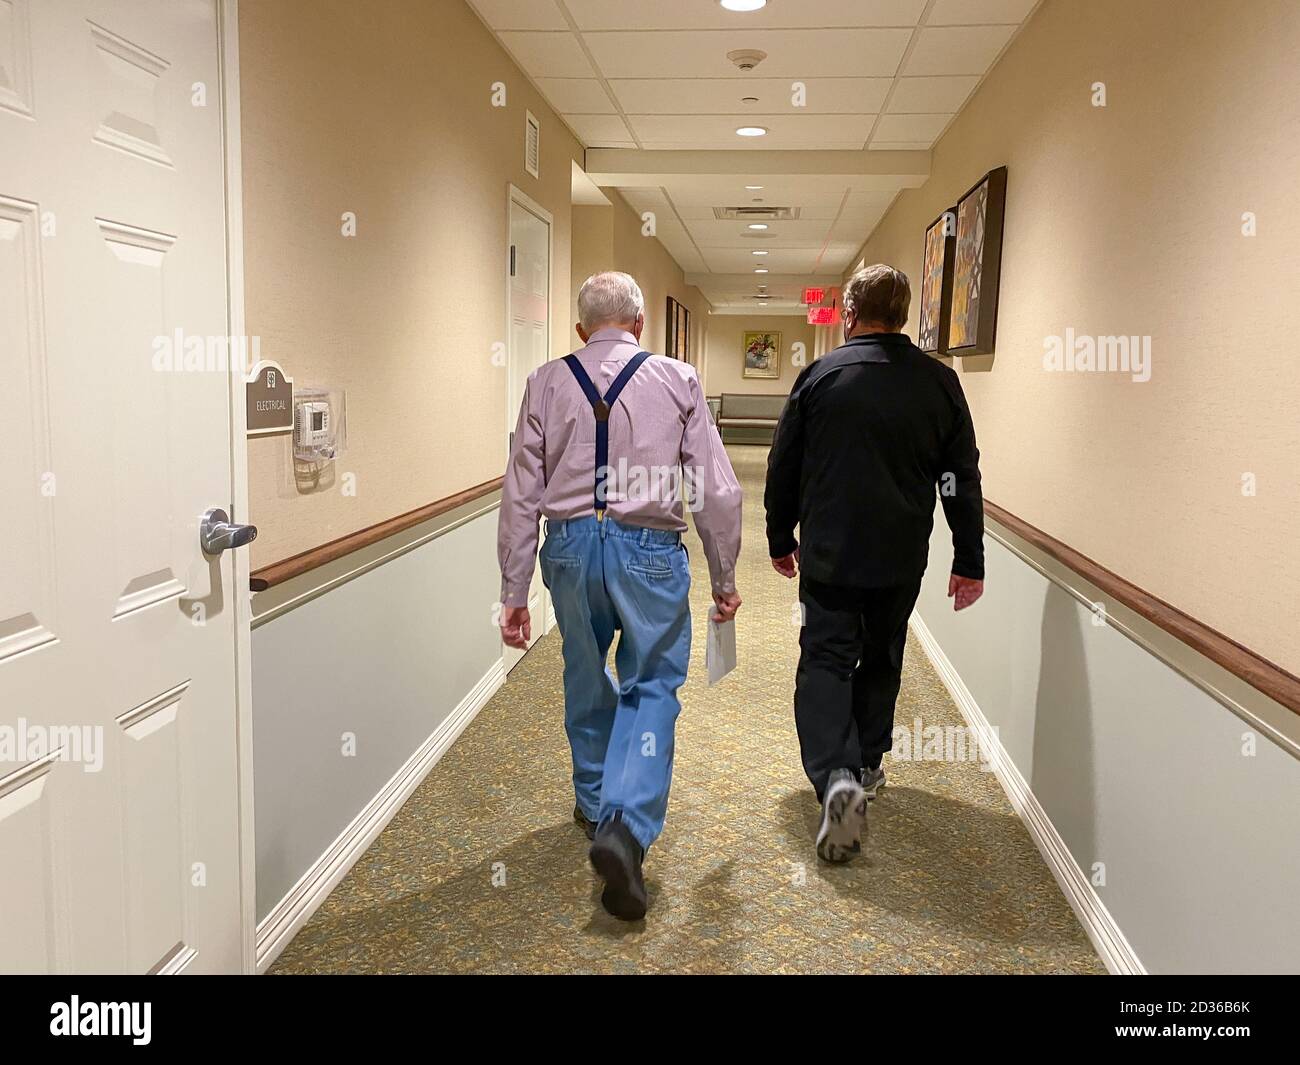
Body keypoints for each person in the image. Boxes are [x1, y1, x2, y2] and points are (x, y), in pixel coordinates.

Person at [498, 271, 743, 920]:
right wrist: (724, 577)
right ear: (639, 325)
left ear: (581, 330)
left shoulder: (546, 381)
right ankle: (626, 825)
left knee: (586, 674)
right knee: (652, 685)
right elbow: (716, 491)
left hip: (573, 549)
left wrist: (513, 588)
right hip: (649, 553)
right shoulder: (677, 378)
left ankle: (593, 801)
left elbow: (521, 491)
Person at [764, 263, 985, 863]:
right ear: (905, 314)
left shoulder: (820, 377)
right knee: (883, 654)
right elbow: (958, 477)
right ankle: (866, 764)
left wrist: (780, 535)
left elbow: (785, 463)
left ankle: (837, 779)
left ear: (850, 314)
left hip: (832, 555)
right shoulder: (939, 383)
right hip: (899, 555)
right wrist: (970, 556)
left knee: (828, 660)